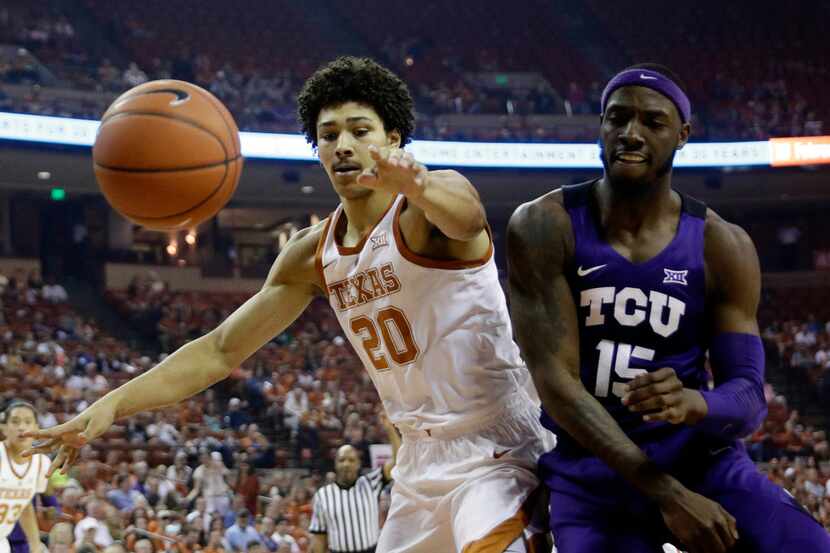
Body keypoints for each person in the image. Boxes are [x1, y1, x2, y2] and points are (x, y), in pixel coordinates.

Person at [25, 56, 553, 553]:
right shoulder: (311, 254)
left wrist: (418, 184)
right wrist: (111, 405)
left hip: (494, 446)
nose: (343, 144)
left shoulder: (426, 208)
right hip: (418, 458)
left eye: (359, 130)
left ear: (392, 139)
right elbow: (218, 351)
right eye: (329, 136)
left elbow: (467, 217)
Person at [505, 63, 830, 553]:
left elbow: (748, 397)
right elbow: (557, 388)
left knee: (809, 545)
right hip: (594, 472)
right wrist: (667, 494)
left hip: (700, 462)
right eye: (617, 119)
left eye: (652, 122)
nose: (631, 134)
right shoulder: (543, 226)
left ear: (683, 135)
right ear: (601, 126)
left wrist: (694, 403)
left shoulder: (723, 245)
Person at [309, 416, 400, 553]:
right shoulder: (323, 495)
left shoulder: (371, 483)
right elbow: (319, 539)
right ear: (335, 464)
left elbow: (398, 461)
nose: (346, 464)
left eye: (351, 460)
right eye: (342, 460)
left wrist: (390, 429)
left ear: (358, 464)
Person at [0, 401, 51, 553]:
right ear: (4, 427)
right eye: (15, 422)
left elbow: (25, 505)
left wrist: (35, 544)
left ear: (37, 428)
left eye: (28, 422)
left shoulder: (42, 463)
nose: (22, 427)